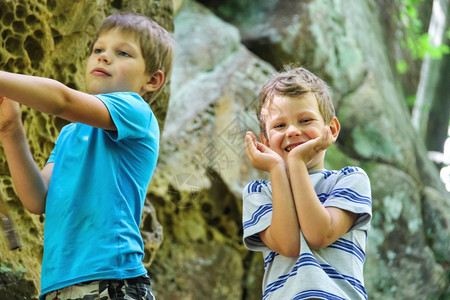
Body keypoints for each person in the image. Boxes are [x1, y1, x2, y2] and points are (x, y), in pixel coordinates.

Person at [0, 12, 174, 300]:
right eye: (98, 50)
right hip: (58, 284)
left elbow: (62, 100)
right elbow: (37, 198)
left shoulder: (136, 111)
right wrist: (10, 130)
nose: (104, 57)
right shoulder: (70, 134)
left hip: (111, 280)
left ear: (152, 80)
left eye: (123, 53)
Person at [242, 67, 372, 300]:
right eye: (280, 126)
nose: (292, 131)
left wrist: (296, 162)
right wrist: (277, 169)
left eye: (305, 120)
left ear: (330, 129)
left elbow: (319, 234)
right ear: (266, 141)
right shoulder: (258, 193)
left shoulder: (351, 179)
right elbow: (289, 244)